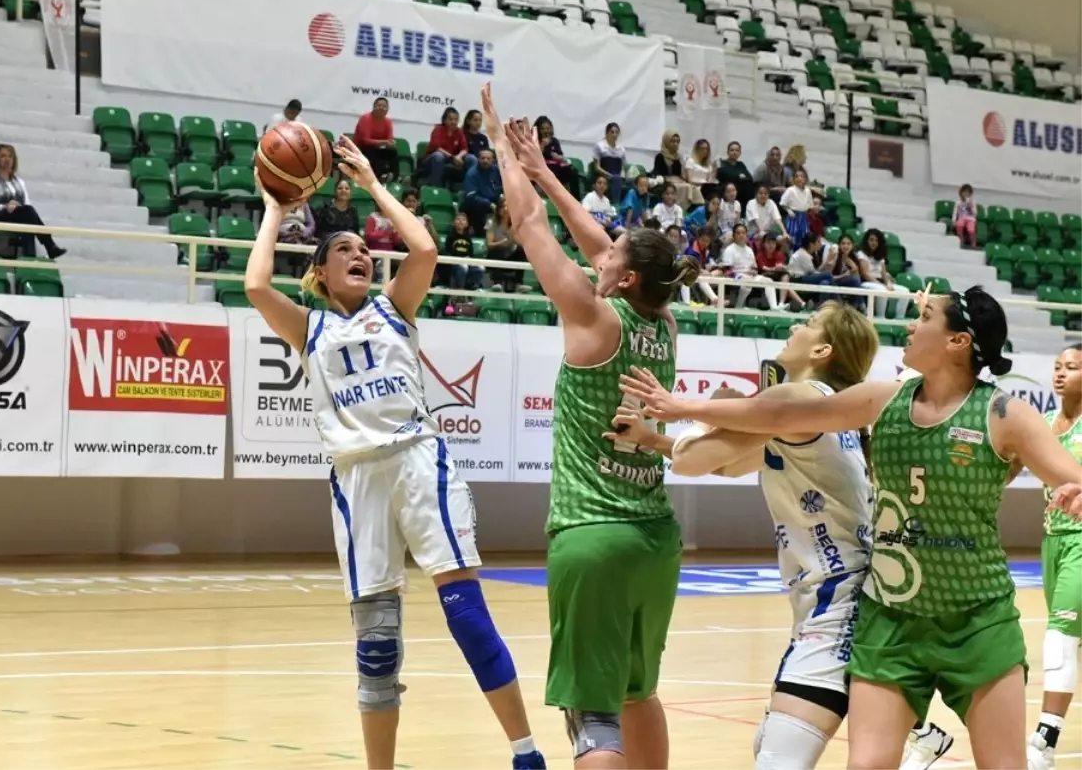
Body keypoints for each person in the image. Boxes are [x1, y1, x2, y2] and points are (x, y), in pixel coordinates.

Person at [616, 286, 1082, 770]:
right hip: (892, 616)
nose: (909, 324)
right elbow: (782, 414)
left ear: (957, 342)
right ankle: (923, 733)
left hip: (976, 618)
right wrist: (680, 413)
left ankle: (929, 732)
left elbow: (1076, 478)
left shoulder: (1003, 413)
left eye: (923, 317)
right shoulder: (887, 398)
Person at [244, 135, 546, 770]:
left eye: (363, 250)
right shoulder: (310, 326)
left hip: (417, 460)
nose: (359, 255)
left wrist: (374, 184)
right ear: (319, 273)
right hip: (356, 480)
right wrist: (275, 205)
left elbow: (427, 248)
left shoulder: (393, 307)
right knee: (376, 645)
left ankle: (525, 752)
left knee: (465, 611)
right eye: (343, 251)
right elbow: (254, 285)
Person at [604, 302, 954, 770]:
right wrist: (657, 439)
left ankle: (921, 730)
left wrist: (688, 414)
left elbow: (695, 460)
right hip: (832, 595)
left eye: (808, 324)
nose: (793, 325)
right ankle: (922, 730)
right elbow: (729, 462)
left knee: (777, 759)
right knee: (771, 745)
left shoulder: (803, 397)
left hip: (839, 599)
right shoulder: (814, 410)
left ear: (824, 349)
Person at [483, 85, 700, 770]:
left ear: (624, 279)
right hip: (655, 540)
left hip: (593, 535)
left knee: (595, 717)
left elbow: (529, 225)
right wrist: (546, 168)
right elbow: (603, 244)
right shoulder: (660, 321)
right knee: (640, 695)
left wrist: (501, 149)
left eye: (609, 261)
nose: (597, 257)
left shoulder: (593, 317)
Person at [1029, 346, 1082, 770]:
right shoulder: (1044, 426)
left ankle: (1044, 741)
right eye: (1058, 367)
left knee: (1059, 637)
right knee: (1072, 637)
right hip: (1053, 542)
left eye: (1073, 367)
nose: (1062, 374)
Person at [0, 143, 67, 259]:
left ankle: (30, 260)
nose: (7, 159)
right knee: (27, 214)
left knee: (27, 219)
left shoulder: (19, 182)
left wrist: (17, 207)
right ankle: (49, 245)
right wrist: (4, 206)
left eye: (10, 156)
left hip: (18, 216)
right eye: (3, 156)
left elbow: (27, 205)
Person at [719, 222, 777, 310]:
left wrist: (754, 272)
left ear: (746, 235)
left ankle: (774, 308)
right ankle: (739, 307)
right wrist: (744, 272)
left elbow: (754, 268)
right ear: (734, 236)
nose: (741, 235)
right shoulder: (729, 250)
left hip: (750, 276)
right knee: (747, 281)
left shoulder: (749, 250)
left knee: (769, 281)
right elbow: (727, 271)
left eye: (743, 233)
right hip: (736, 276)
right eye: (738, 233)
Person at [856, 229, 911, 320]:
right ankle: (881, 318)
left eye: (876, 240)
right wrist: (880, 284)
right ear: (867, 241)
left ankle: (899, 318)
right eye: (871, 240)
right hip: (866, 282)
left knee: (905, 291)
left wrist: (888, 283)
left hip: (879, 282)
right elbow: (865, 274)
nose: (874, 243)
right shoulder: (861, 254)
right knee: (882, 290)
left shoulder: (880, 256)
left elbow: (884, 273)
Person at [420, 106, 468, 188]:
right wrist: (453, 158)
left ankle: (468, 190)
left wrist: (459, 156)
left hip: (450, 160)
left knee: (471, 159)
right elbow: (437, 148)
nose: (453, 122)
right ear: (445, 120)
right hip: (431, 160)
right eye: (450, 119)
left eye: (456, 119)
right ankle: (436, 188)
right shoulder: (438, 129)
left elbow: (464, 148)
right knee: (439, 156)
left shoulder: (459, 132)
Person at [353, 97, 398, 181]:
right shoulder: (365, 119)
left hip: (378, 148)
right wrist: (385, 142)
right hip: (361, 148)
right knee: (371, 150)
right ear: (373, 107)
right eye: (379, 105)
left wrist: (391, 143)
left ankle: (394, 177)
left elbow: (389, 139)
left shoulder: (388, 122)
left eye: (384, 106)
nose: (381, 108)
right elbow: (366, 141)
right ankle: (379, 176)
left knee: (393, 151)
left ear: (387, 110)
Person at [954, 184, 978, 249]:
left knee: (971, 230)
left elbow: (975, 213)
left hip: (970, 219)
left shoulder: (972, 202)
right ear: (961, 193)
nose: (966, 194)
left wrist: (970, 206)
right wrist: (953, 220)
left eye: (968, 192)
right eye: (964, 192)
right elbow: (955, 212)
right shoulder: (958, 202)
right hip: (961, 218)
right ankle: (961, 240)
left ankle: (973, 242)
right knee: (959, 225)